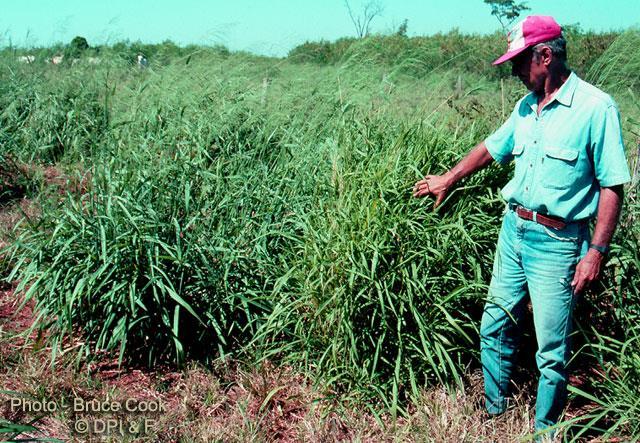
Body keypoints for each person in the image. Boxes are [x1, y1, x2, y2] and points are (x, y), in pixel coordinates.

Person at [413, 15, 631, 438]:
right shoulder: (525, 107)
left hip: (558, 242)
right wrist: (448, 178)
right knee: (494, 321)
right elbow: (492, 147)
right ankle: (495, 411)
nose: (514, 72)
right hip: (514, 231)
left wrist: (596, 252)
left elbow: (612, 186)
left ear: (545, 56)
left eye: (519, 63)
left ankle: (544, 431)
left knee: (551, 351)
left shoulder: (595, 108)